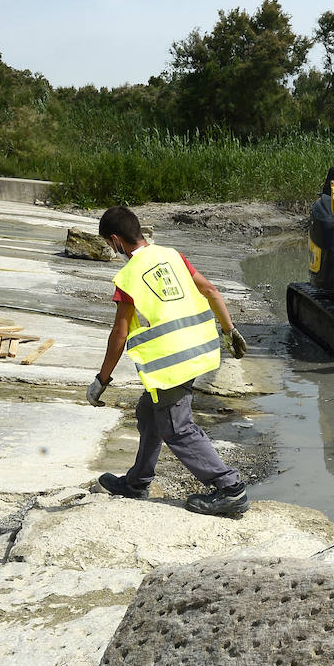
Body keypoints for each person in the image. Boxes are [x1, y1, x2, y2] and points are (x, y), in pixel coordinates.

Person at [88, 205, 250, 515]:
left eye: (110, 245)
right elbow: (211, 290)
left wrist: (101, 380)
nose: (113, 250)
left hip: (169, 362)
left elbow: (119, 335)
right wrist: (229, 331)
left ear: (116, 240)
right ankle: (137, 482)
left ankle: (230, 489)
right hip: (197, 351)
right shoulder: (173, 255)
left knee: (177, 428)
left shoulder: (129, 276)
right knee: (149, 413)